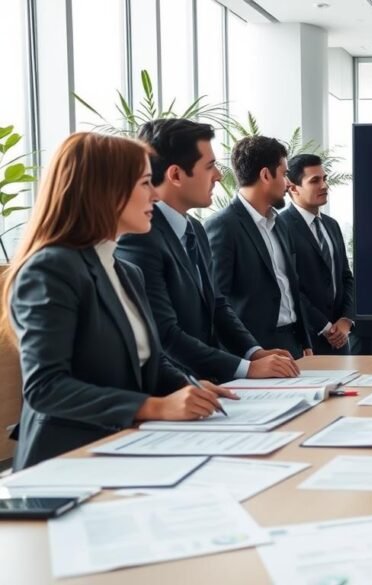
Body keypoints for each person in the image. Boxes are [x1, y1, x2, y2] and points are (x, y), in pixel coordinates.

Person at [1, 133, 237, 470]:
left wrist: (192, 388)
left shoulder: (125, 270)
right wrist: (154, 407)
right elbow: (46, 388)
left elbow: (145, 362)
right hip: (67, 461)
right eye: (144, 183)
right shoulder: (50, 269)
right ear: (105, 191)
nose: (155, 194)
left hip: (123, 446)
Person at [116, 119, 300, 382]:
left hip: (209, 386)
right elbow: (164, 334)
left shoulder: (195, 229)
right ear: (176, 175)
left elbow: (217, 305)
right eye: (210, 166)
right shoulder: (139, 236)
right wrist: (245, 369)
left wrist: (254, 352)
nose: (218, 175)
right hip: (175, 391)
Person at [205, 136, 313, 359]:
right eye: (284, 174)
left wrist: (304, 342)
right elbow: (217, 302)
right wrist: (249, 355)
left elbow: (291, 285)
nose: (289, 184)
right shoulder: (223, 226)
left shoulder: (281, 224)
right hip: (252, 352)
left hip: (292, 346)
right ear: (265, 175)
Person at [278, 154, 356, 355]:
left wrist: (346, 320)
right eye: (315, 181)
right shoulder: (280, 227)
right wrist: (325, 327)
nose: (324, 185)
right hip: (306, 341)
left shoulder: (332, 225)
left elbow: (346, 277)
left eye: (325, 178)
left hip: (341, 339)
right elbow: (288, 285)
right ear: (292, 187)